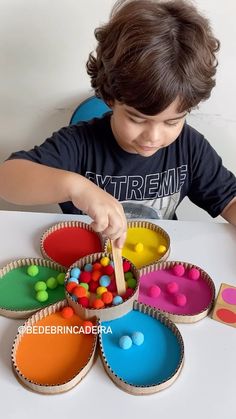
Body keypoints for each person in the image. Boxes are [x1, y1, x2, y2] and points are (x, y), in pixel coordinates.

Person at [0, 0, 236, 248]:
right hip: (89, 261)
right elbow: (7, 180)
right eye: (137, 118)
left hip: (159, 262)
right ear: (110, 98)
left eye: (172, 122)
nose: (153, 136)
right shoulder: (81, 143)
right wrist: (76, 188)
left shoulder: (190, 147)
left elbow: (230, 200)